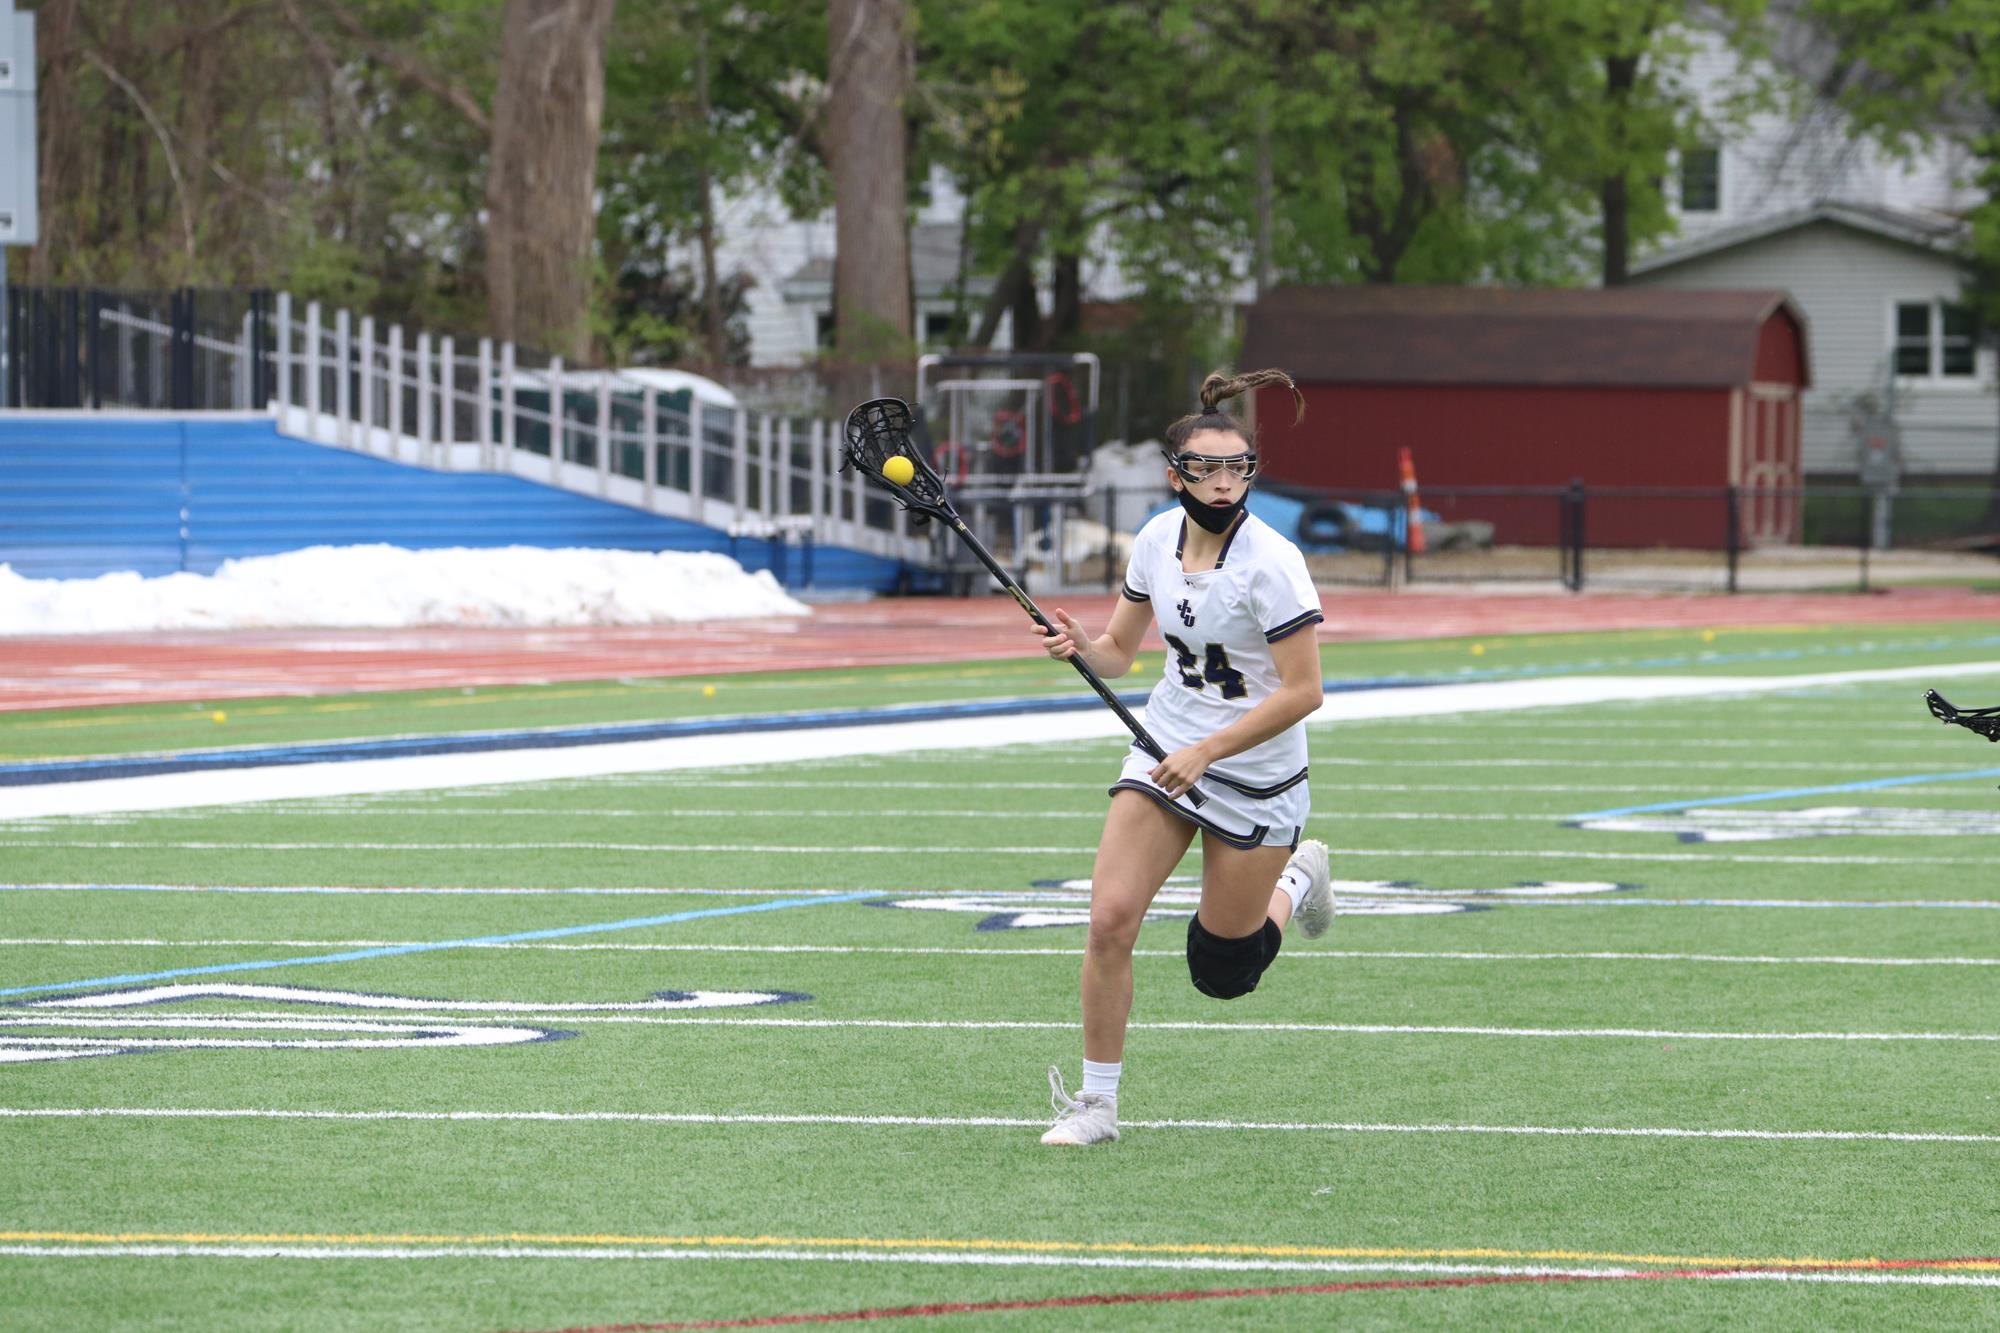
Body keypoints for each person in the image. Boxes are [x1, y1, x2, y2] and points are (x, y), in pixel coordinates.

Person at [1033, 368, 1334, 1148]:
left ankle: (1298, 877)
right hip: (1165, 749)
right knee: (1108, 919)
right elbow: (1121, 653)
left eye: (1240, 467)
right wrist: (1081, 648)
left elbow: (1304, 692)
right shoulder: (1155, 540)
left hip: (1254, 774)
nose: (1228, 481)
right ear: (1177, 476)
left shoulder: (1272, 561)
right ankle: (1098, 1105)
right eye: (1209, 468)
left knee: (1221, 971)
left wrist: (1209, 749)